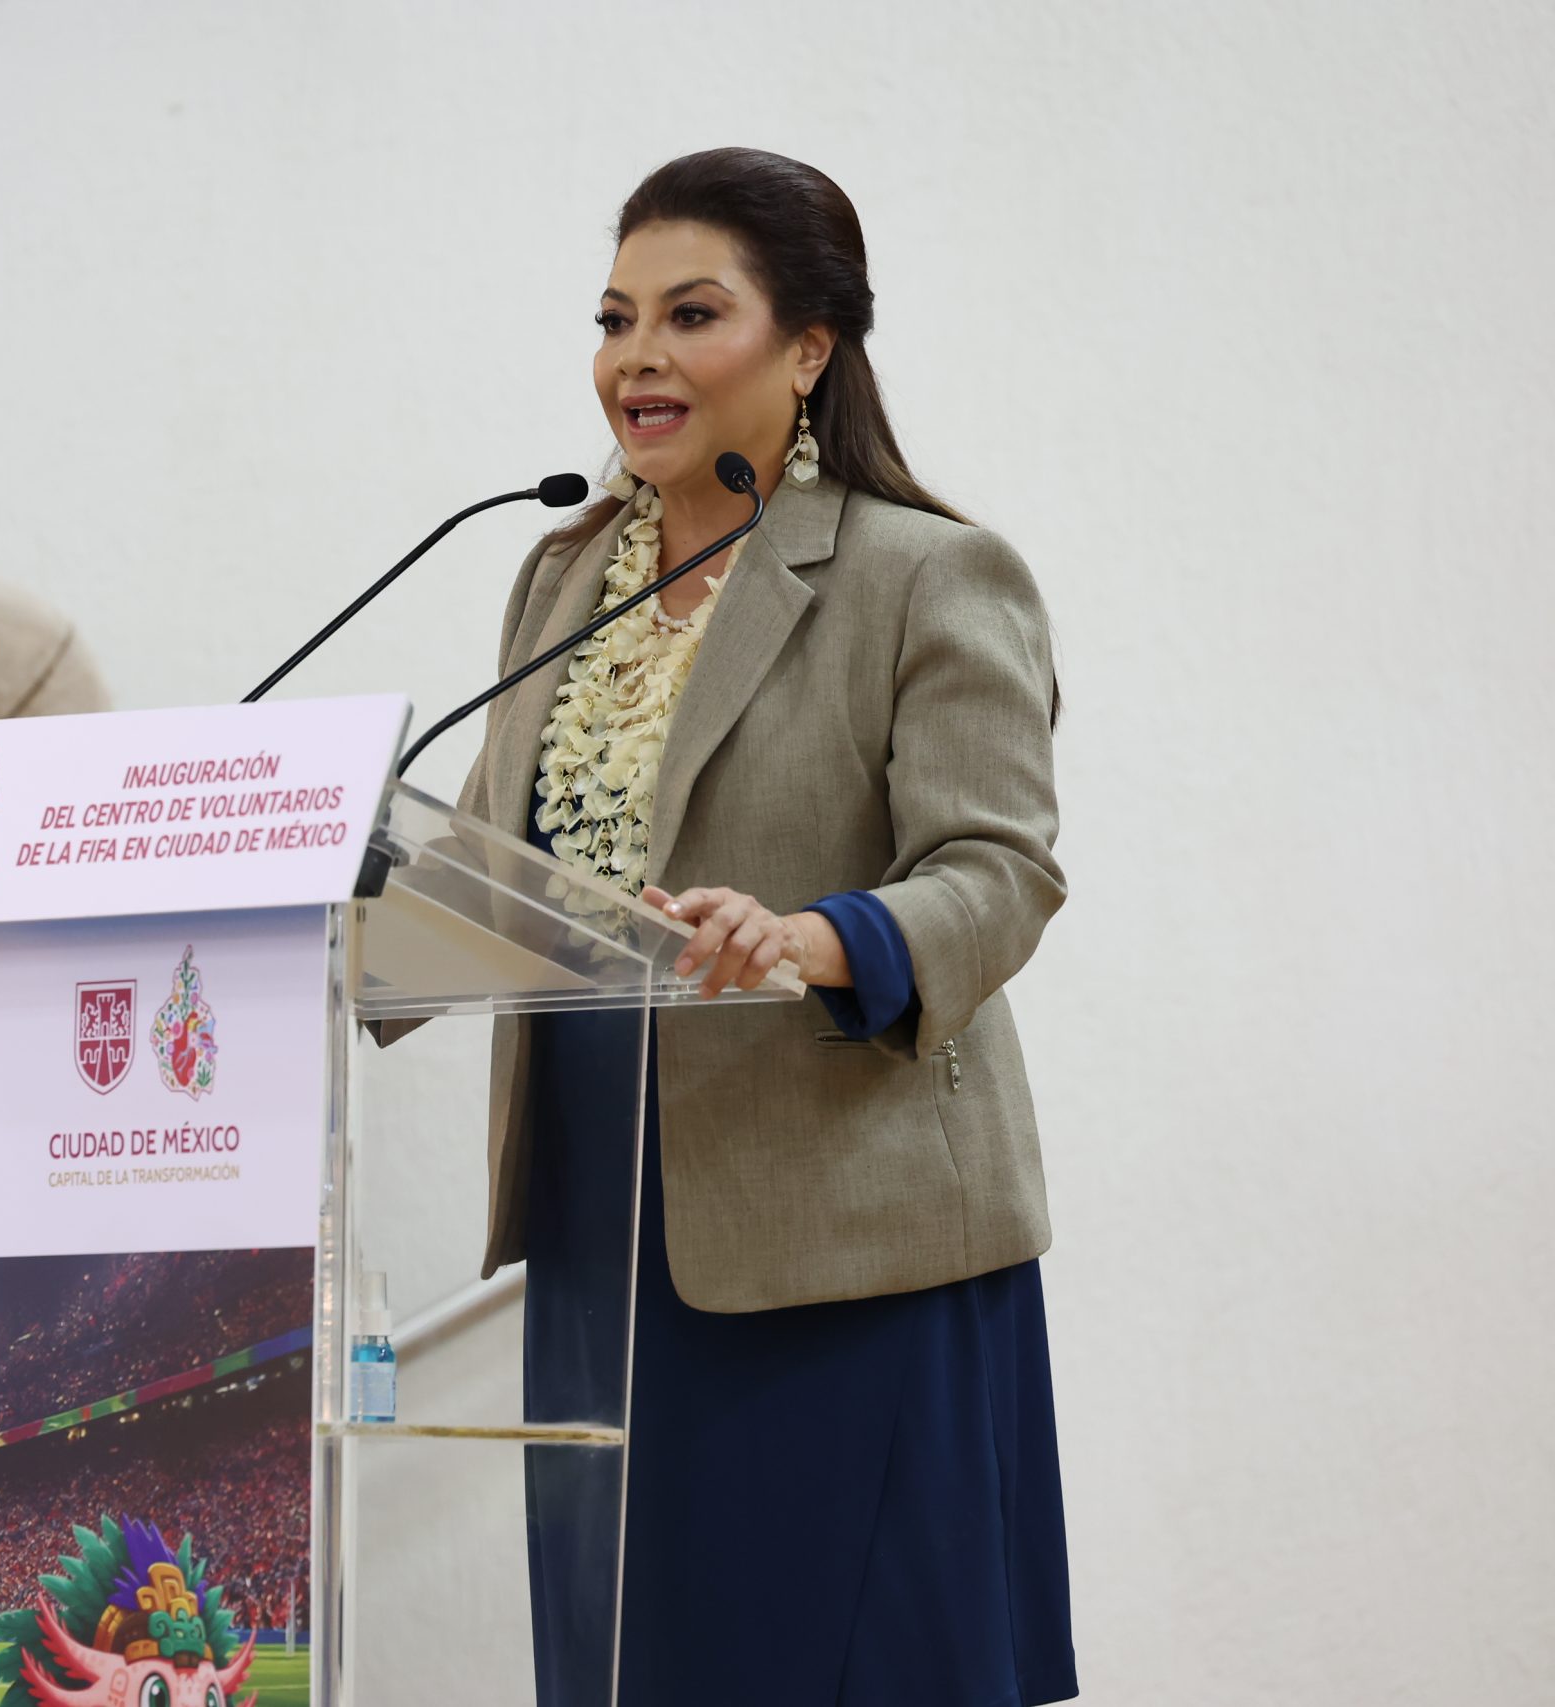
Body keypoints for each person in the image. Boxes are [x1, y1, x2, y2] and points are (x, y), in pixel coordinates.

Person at [456, 148, 1078, 1706]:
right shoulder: (559, 578)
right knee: (638, 1661)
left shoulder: (922, 573)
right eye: (614, 319)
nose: (635, 358)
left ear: (809, 348)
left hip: (841, 1239)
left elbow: (1000, 870)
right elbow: (471, 863)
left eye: (689, 314)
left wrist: (817, 938)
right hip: (607, 1225)